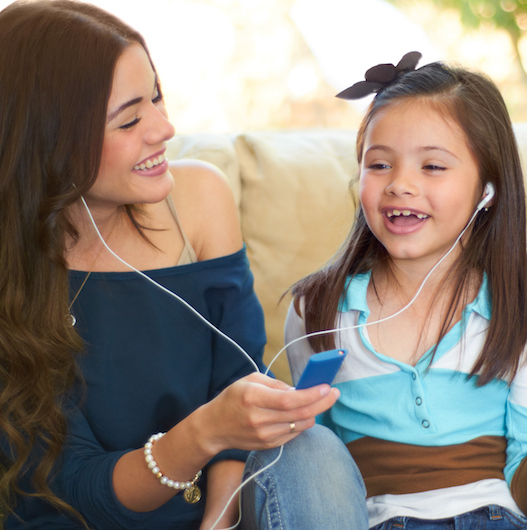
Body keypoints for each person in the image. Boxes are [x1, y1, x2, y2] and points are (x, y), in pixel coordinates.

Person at [0, 1, 367, 529]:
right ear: (49, 140)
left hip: (217, 507)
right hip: (79, 515)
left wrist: (217, 521)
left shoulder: (198, 197)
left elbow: (236, 377)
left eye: (156, 97)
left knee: (311, 448)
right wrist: (205, 432)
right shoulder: (15, 273)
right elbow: (77, 486)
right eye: (129, 119)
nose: (164, 128)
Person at [286, 53, 527, 529]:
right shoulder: (317, 312)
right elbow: (318, 477)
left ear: (486, 191)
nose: (400, 185)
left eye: (432, 166)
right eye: (379, 163)